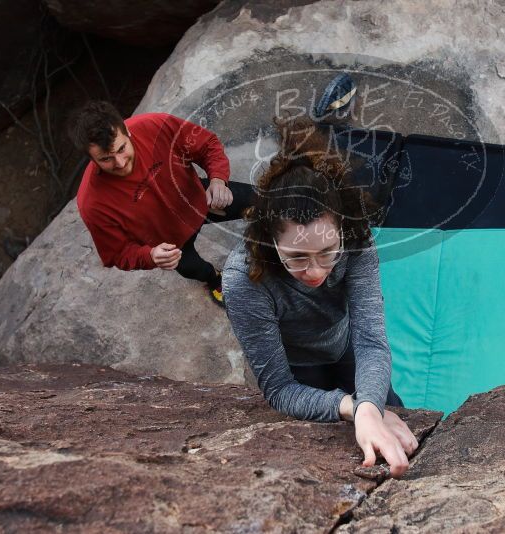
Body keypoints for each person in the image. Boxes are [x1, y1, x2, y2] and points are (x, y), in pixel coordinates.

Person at [222, 117, 418, 477]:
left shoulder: (356, 239)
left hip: (345, 346)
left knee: (396, 421)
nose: (315, 271)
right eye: (296, 257)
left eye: (328, 251)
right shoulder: (243, 279)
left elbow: (371, 342)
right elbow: (280, 389)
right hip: (298, 367)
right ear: (268, 240)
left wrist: (371, 406)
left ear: (341, 229)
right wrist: (355, 408)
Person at [70, 100, 252, 306]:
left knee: (263, 202)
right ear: (90, 159)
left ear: (127, 131)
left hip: (200, 199)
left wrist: (218, 179)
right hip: (170, 241)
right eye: (106, 159)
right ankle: (215, 279)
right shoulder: (92, 203)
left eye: (122, 149)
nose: (120, 163)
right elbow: (117, 253)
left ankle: (275, 241)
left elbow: (206, 144)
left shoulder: (154, 125)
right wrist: (150, 256)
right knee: (192, 268)